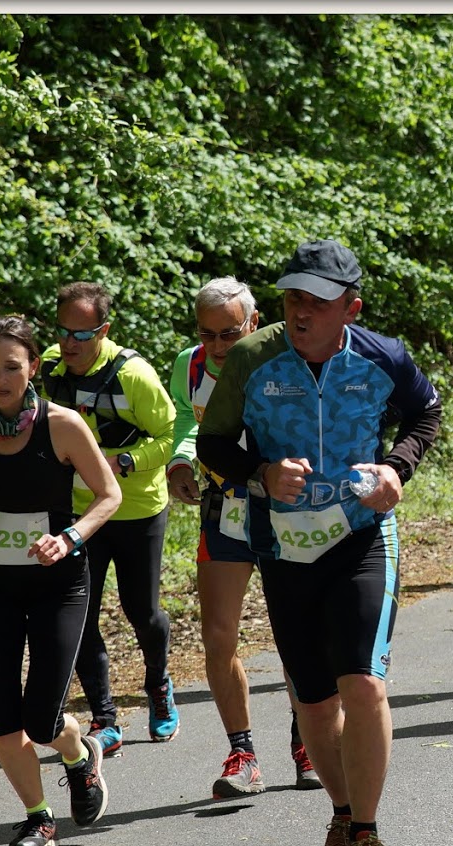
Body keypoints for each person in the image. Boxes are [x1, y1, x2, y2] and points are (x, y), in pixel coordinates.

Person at [197, 239, 442, 846]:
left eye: (317, 301)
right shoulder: (251, 358)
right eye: (292, 299)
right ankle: (341, 816)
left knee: (362, 685)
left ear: (350, 308)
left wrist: (397, 467)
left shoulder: (383, 356)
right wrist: (260, 472)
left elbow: (426, 412)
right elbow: (213, 442)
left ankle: (367, 834)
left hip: (362, 536)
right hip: (284, 547)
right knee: (313, 699)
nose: (301, 312)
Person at [0, 315, 121, 846]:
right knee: (2, 718)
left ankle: (78, 753)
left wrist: (69, 537)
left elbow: (108, 495)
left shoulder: (62, 424)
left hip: (58, 584)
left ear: (34, 367)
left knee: (41, 719)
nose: (1, 379)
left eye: (12, 367)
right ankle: (39, 818)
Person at [166, 277, 320, 798]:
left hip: (285, 511)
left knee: (297, 633)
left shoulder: (286, 356)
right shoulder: (189, 365)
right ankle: (243, 754)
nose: (216, 345)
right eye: (206, 333)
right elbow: (187, 420)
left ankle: (308, 743)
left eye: (228, 333)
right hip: (225, 511)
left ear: (253, 323)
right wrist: (180, 460)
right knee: (218, 636)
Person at [40, 282, 178, 754]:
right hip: (79, 512)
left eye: (82, 334)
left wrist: (124, 462)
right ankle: (105, 717)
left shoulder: (133, 375)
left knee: (143, 612)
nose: (70, 342)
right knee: (79, 614)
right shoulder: (50, 367)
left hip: (137, 509)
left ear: (104, 330)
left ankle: (158, 685)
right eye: (63, 331)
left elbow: (171, 435)